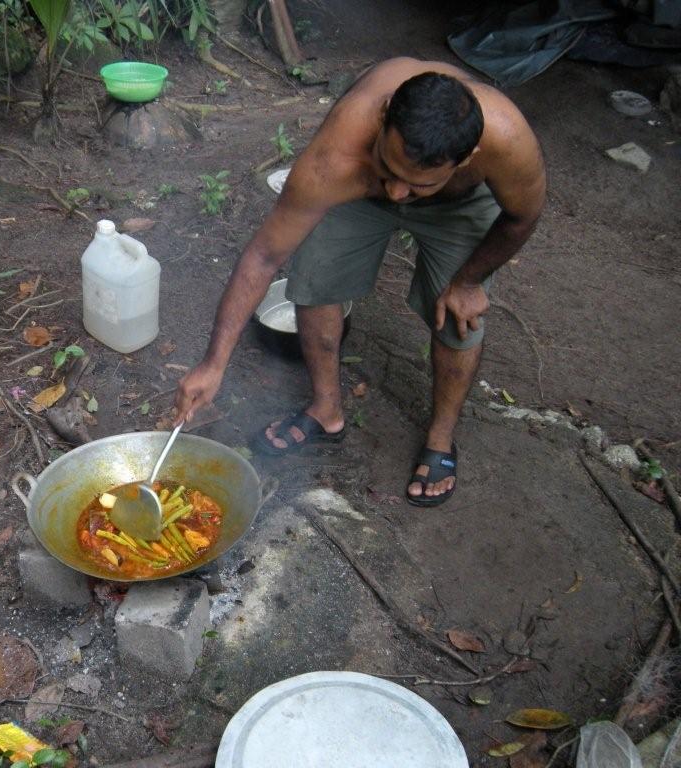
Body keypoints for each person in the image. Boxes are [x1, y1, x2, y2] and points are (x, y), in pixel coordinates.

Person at [173, 57, 547, 507]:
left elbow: (522, 217)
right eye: (389, 168)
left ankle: (441, 438)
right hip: (356, 185)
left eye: (416, 185)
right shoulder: (339, 152)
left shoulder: (507, 141)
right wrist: (214, 363)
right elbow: (265, 254)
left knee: (457, 316)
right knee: (317, 279)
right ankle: (325, 409)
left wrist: (469, 281)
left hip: (460, 207)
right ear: (385, 114)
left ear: (467, 159)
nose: (396, 194)